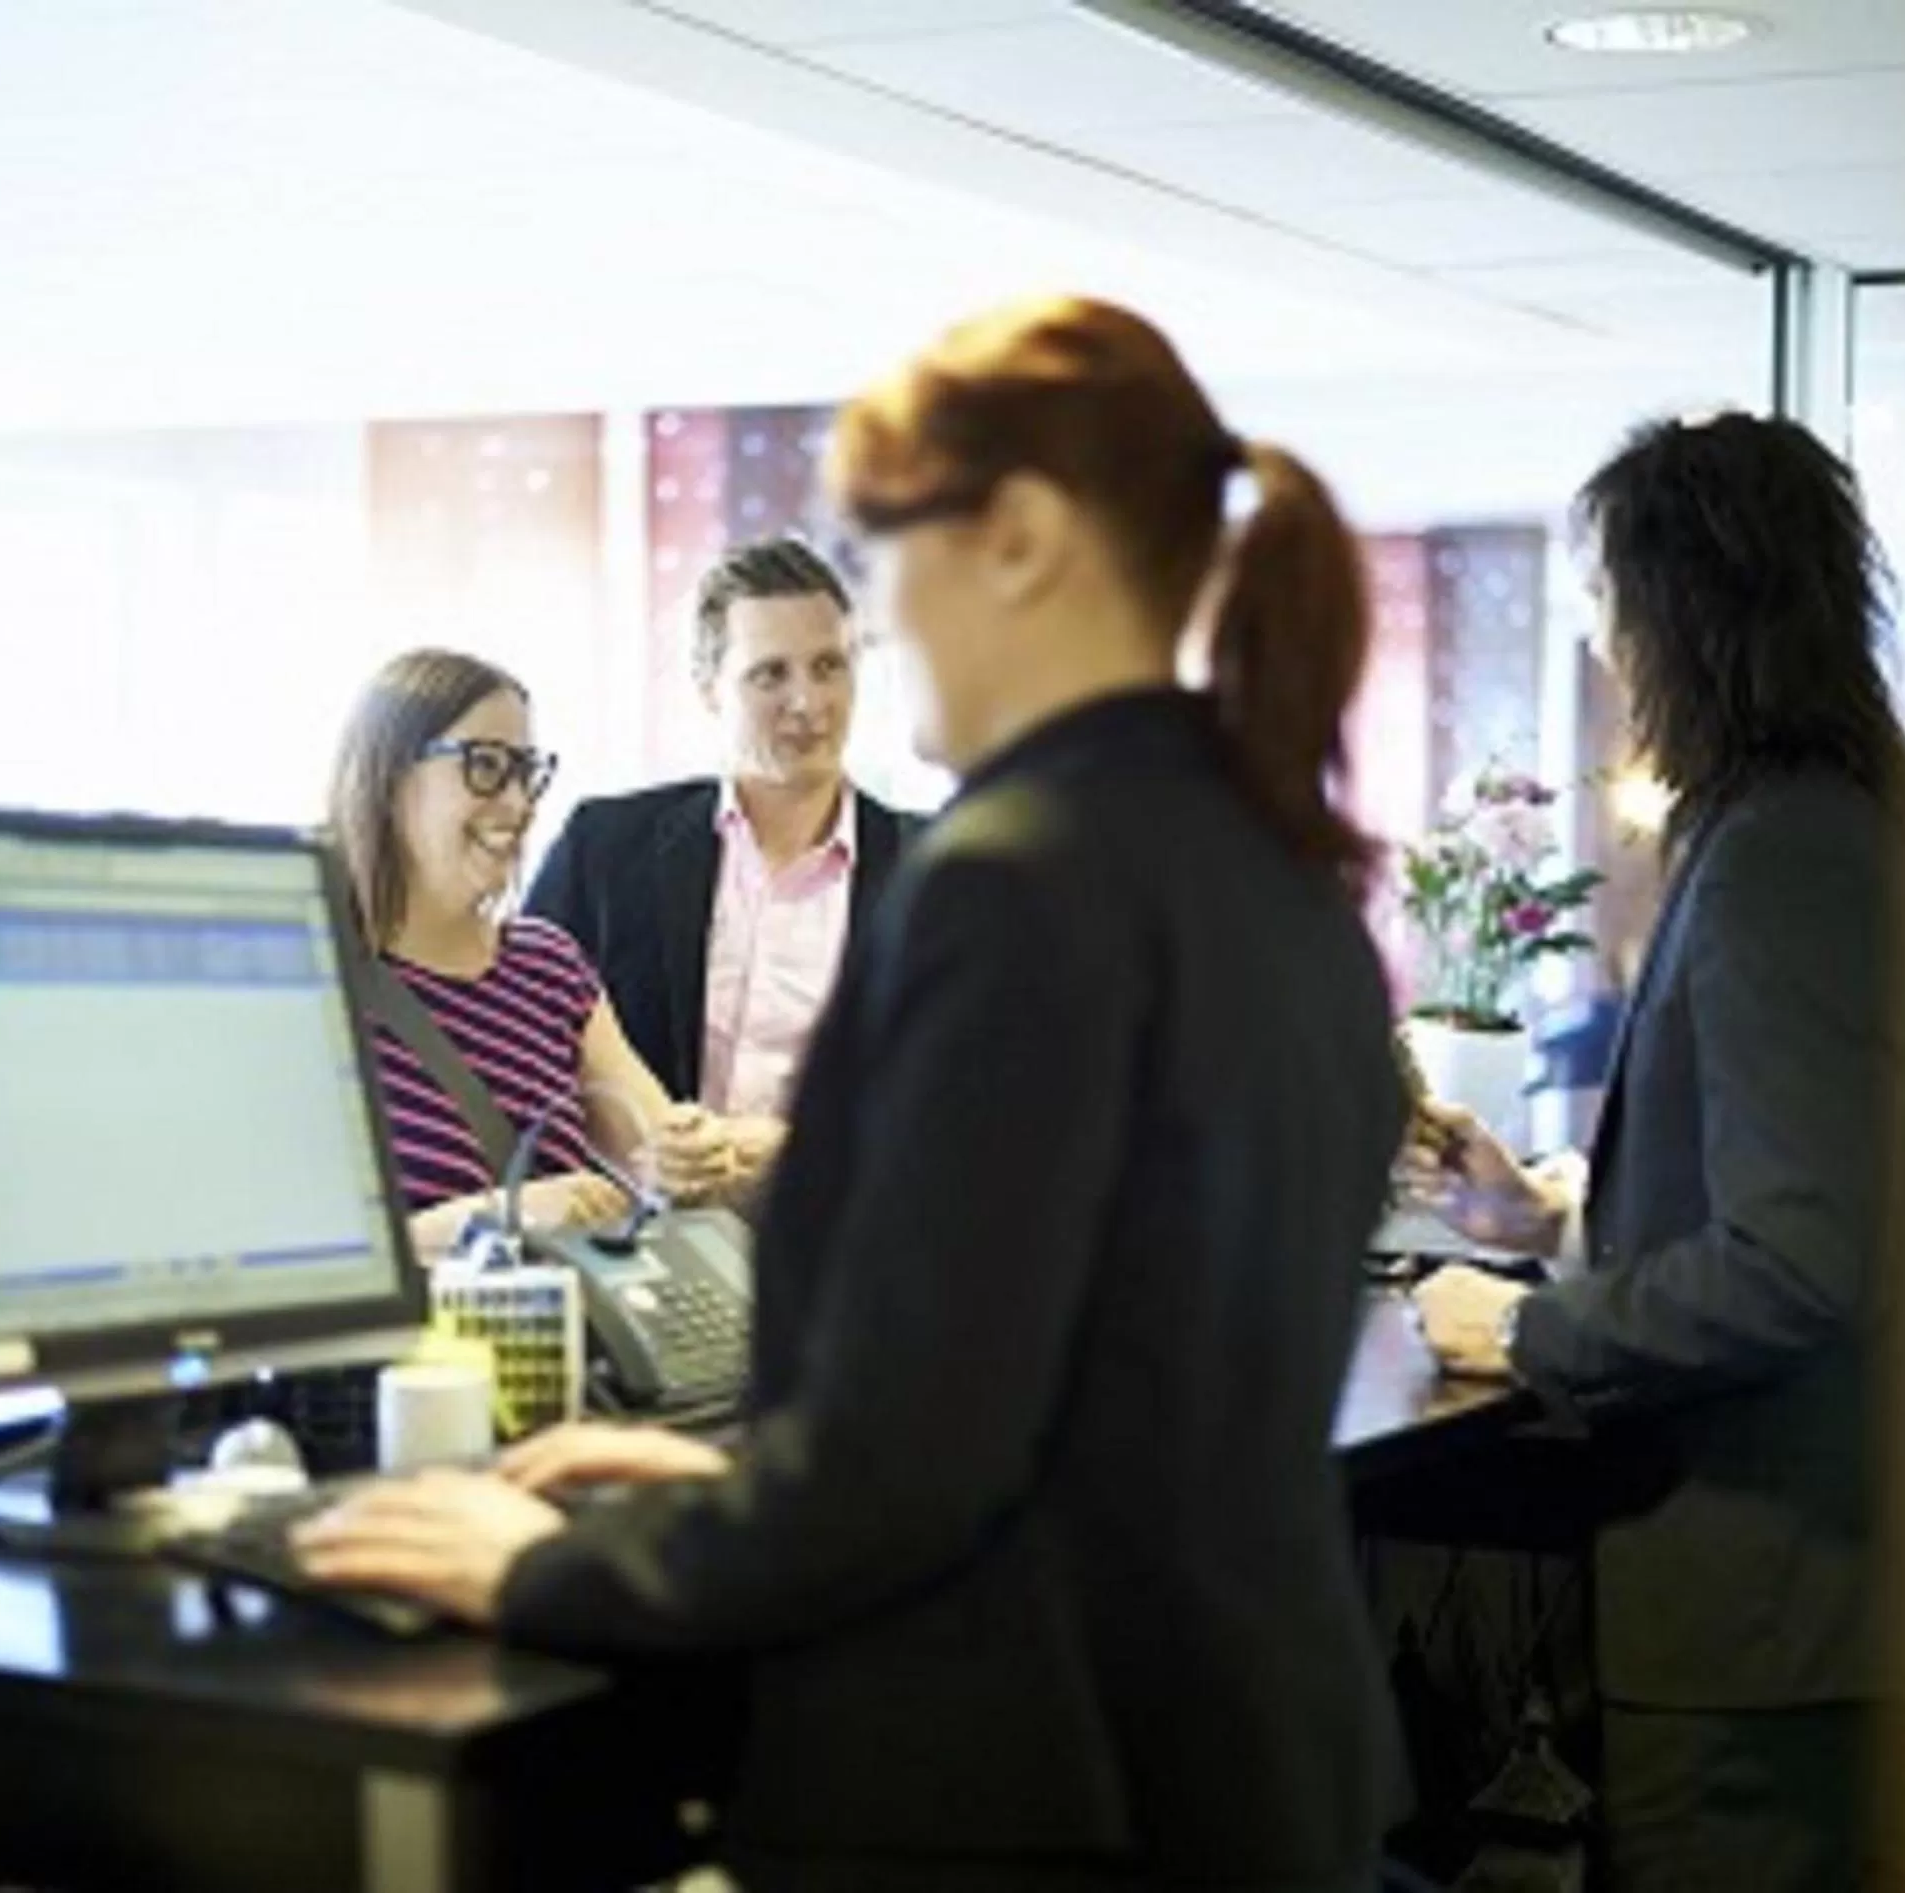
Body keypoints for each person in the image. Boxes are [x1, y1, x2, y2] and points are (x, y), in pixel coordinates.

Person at [294, 297, 1409, 1891]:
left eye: (883, 561)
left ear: (1017, 537)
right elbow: (1060, 1399)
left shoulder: (1019, 884)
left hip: (1025, 1793)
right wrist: (738, 1480)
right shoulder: (1277, 872)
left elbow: (902, 1487)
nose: (872, 637)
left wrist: (547, 1565)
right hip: (1235, 1762)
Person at [1403, 413, 1905, 1891]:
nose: (1609, 664)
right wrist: (1553, 1224)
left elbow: (1800, 1263)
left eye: (1612, 615)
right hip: (1829, 1597)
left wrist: (1531, 1323)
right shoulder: (1863, 824)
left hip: (1764, 1611)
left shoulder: (1784, 855)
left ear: (1688, 613)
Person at [525, 537, 925, 1191]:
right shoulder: (605, 848)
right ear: (709, 688)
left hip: (838, 1246)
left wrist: (804, 1145)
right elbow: (526, 1047)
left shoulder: (928, 869)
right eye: (771, 674)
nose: (808, 702)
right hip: (636, 1242)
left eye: (829, 666)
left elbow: (957, 1091)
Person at [326, 648, 732, 1259]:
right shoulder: (315, 981)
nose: (518, 805)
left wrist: (690, 1151)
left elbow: (656, 1148)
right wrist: (497, 1216)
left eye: (525, 772)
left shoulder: (549, 966)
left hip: (558, 1346)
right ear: (389, 775)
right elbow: (289, 1266)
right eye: (484, 766)